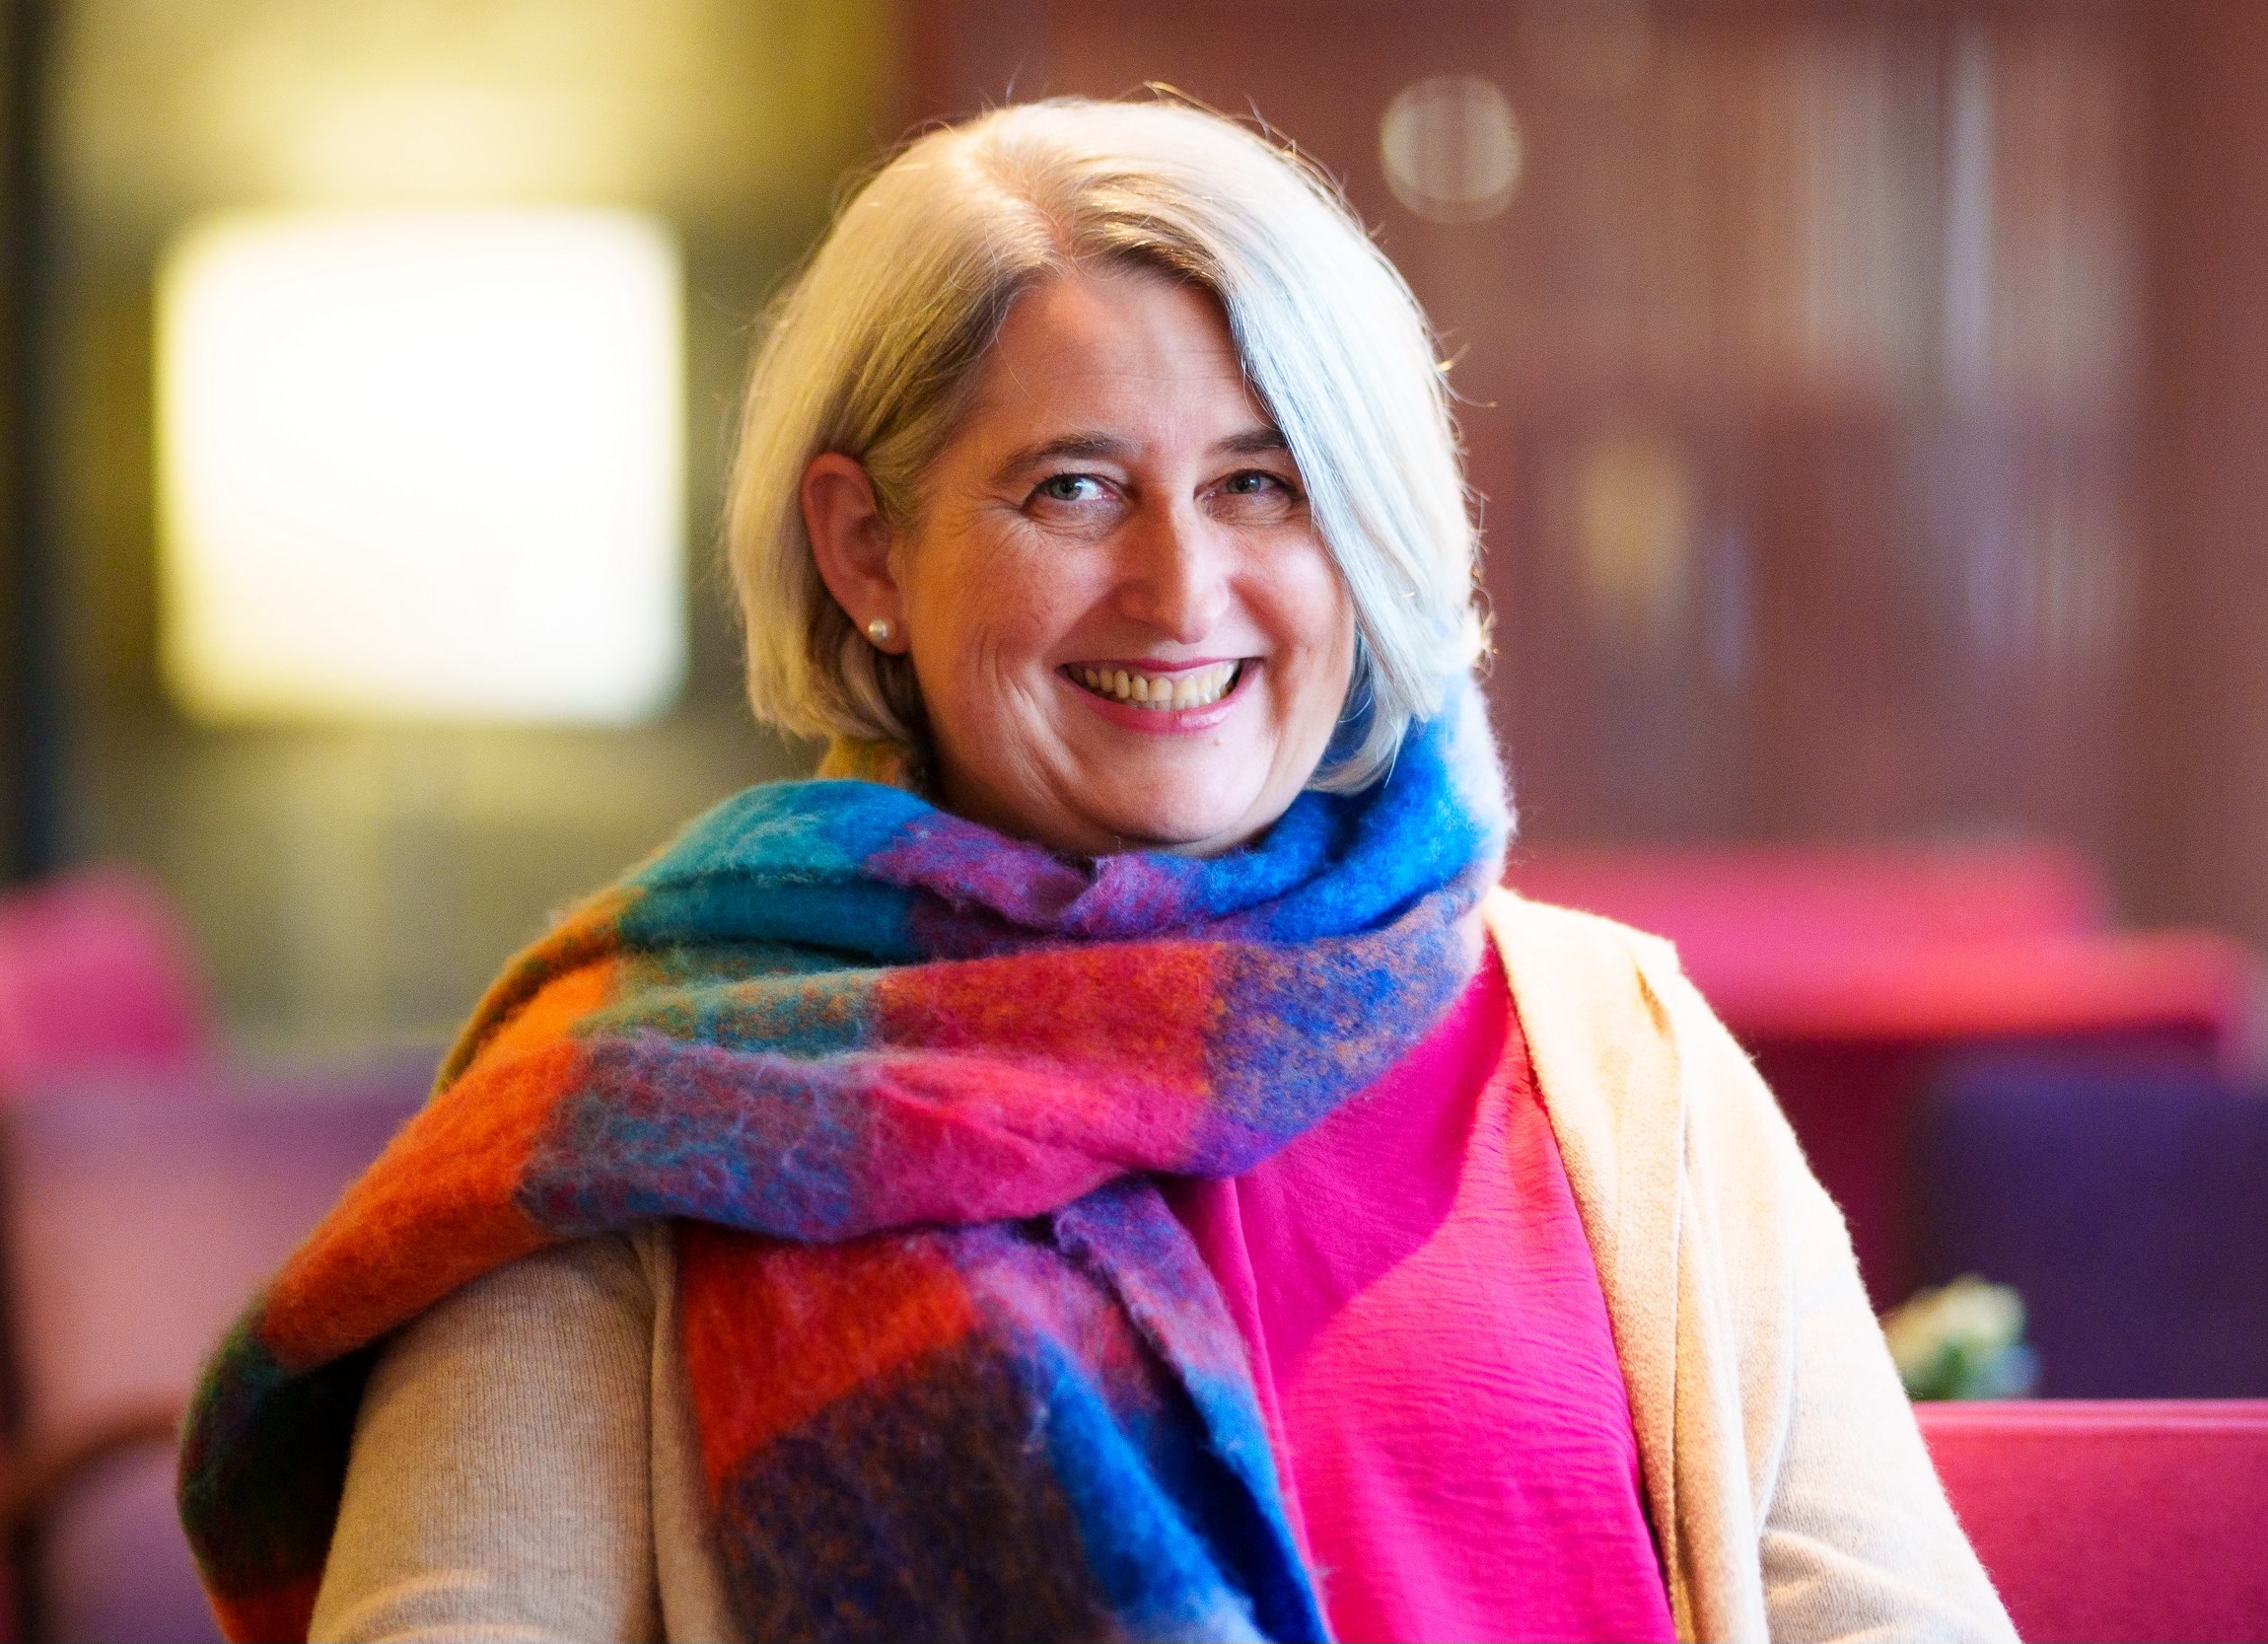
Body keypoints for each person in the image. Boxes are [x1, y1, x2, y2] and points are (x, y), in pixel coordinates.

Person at [177, 98, 2017, 1644]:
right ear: (864, 549)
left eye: (1263, 483)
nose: (1181, 591)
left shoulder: (1618, 1053)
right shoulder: (638, 1113)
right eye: (1070, 488)